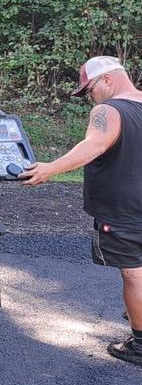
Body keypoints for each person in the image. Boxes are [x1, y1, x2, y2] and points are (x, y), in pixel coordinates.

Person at [21, 56, 142, 367]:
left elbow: (94, 145)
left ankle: (140, 345)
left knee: (134, 274)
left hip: (123, 212)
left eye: (89, 90)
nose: (90, 97)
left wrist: (51, 168)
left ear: (108, 81)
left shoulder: (108, 110)